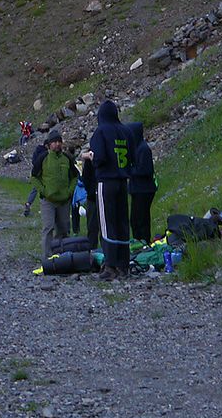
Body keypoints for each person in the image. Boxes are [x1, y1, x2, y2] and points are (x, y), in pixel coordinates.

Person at [89, 99, 139, 282]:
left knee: (106, 223)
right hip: (123, 181)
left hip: (106, 181)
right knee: (122, 222)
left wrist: (91, 158)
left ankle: (110, 265)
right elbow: (134, 157)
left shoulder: (101, 131)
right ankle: (123, 264)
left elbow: (100, 157)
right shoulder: (127, 131)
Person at [35, 130, 78, 257]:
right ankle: (47, 258)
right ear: (49, 144)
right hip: (47, 201)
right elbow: (34, 177)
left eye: (59, 141)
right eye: (54, 142)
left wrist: (69, 192)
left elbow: (75, 176)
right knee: (48, 227)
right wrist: (43, 191)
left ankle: (63, 256)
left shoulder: (67, 158)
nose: (57, 144)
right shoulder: (43, 158)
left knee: (64, 229)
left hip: (64, 201)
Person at [125, 121, 156, 243]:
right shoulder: (136, 148)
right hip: (137, 189)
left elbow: (146, 170)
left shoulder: (144, 149)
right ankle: (139, 242)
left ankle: (144, 242)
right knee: (134, 220)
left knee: (141, 220)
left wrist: (129, 170)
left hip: (144, 190)